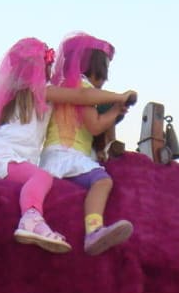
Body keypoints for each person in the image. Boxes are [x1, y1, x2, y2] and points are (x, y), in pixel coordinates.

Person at [0, 37, 136, 254]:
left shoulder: (27, 94)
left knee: (41, 176)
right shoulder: (39, 90)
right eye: (47, 66)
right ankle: (31, 219)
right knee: (43, 177)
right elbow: (81, 95)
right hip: (4, 156)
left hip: (7, 155)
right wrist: (119, 97)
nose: (51, 70)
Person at [40, 32, 133, 255]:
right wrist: (116, 106)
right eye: (102, 74)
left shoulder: (62, 87)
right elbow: (94, 126)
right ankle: (94, 229)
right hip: (67, 154)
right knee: (102, 181)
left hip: (58, 154)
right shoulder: (81, 89)